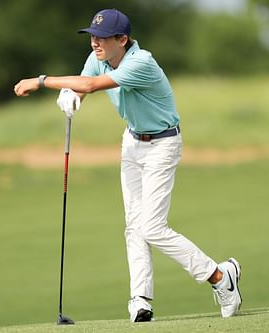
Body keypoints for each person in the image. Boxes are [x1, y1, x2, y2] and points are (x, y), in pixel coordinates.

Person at [14, 8, 242, 322]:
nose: (95, 43)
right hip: (132, 143)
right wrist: (71, 97)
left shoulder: (141, 63)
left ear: (122, 39)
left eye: (103, 38)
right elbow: (84, 84)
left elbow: (92, 85)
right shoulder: (99, 57)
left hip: (163, 144)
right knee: (134, 225)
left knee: (153, 228)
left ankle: (220, 277)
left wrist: (42, 81)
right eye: (92, 37)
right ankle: (141, 299)